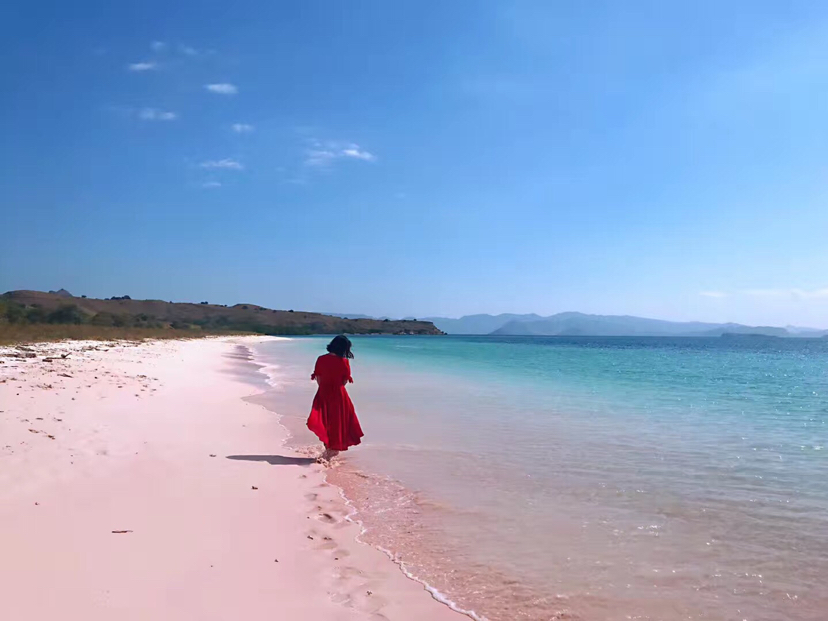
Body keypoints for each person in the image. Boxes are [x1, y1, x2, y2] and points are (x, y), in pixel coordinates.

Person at [307, 335, 364, 461]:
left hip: (323, 392)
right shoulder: (344, 361)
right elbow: (344, 381)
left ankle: (328, 449)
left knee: (325, 421)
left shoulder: (321, 359)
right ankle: (331, 451)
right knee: (337, 422)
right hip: (339, 395)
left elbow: (319, 378)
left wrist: (324, 389)